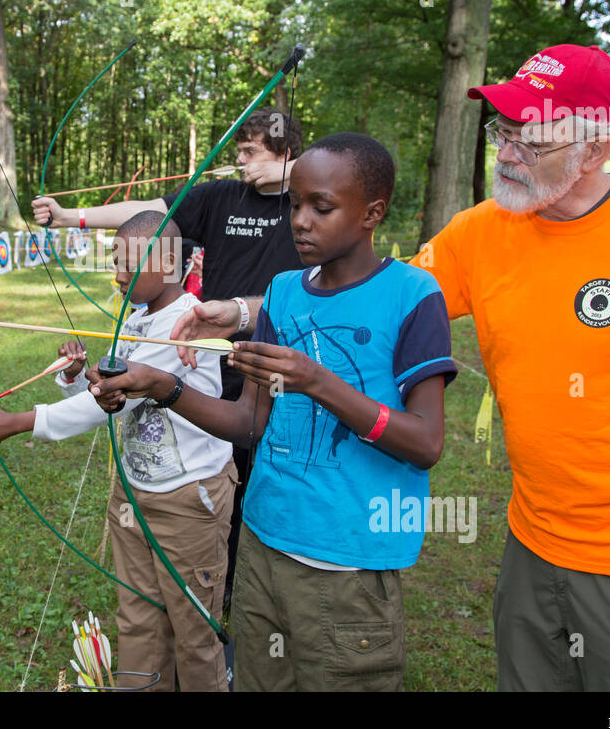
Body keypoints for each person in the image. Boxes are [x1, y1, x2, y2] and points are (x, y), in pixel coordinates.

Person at [170, 44, 610, 690]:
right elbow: (367, 297)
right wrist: (237, 312)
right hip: (533, 544)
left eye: (530, 138)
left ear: (597, 150)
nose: (508, 152)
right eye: (503, 129)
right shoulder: (480, 232)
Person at [88, 135, 457, 690]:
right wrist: (163, 386)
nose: (300, 222)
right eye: (295, 205)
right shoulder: (283, 292)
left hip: (348, 560)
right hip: (261, 542)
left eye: (322, 207)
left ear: (372, 213)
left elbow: (425, 443)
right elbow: (249, 425)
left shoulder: (412, 294)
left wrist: (317, 381)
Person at [33, 109, 304, 608]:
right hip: (204, 355)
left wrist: (295, 177)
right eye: (237, 152)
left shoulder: (307, 205)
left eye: (251, 153)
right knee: (223, 468)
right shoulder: (221, 197)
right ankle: (216, 590)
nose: (239, 163)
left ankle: (257, 586)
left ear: (286, 153)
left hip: (285, 366)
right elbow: (146, 214)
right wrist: (71, 216)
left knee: (272, 477)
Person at [0, 211, 236, 691]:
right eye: (116, 262)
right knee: (137, 619)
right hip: (135, 495)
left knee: (195, 634)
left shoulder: (184, 326)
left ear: (167, 262)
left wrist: (16, 422)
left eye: (129, 265)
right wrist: (76, 376)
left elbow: (100, 411)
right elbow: (111, 401)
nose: (118, 274)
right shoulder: (138, 318)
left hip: (188, 503)